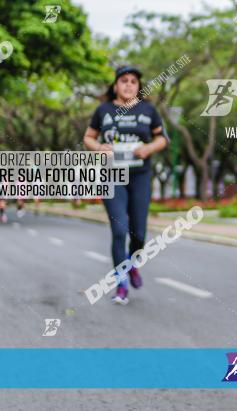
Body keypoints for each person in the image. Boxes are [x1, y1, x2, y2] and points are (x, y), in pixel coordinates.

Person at [83, 66, 168, 305]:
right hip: (112, 176)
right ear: (115, 86)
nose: (129, 85)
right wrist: (99, 147)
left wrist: (149, 148)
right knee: (120, 231)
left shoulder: (148, 110)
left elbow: (162, 138)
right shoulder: (104, 111)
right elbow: (88, 137)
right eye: (123, 80)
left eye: (133, 81)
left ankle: (132, 264)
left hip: (140, 176)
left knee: (139, 235)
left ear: (139, 86)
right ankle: (120, 284)